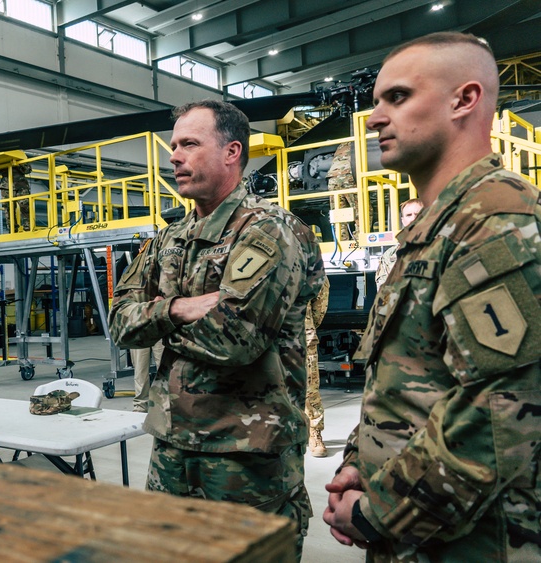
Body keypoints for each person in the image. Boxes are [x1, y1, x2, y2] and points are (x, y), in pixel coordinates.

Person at [323, 32, 541, 561]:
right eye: (376, 102)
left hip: (476, 542)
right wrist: (358, 459)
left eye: (396, 98)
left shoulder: (495, 221)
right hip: (422, 533)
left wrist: (378, 510)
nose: (375, 118)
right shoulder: (434, 229)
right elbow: (404, 378)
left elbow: (498, 413)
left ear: (463, 100)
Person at [109, 100, 326, 560]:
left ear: (232, 152)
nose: (174, 156)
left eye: (189, 143)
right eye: (173, 146)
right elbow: (119, 325)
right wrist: (180, 309)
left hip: (246, 454)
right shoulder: (169, 238)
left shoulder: (271, 231)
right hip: (172, 446)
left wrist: (155, 316)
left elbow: (235, 340)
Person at [305, 277, 330, 457]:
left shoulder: (304, 257)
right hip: (265, 336)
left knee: (309, 388)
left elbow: (320, 294)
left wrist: (307, 326)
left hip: (301, 335)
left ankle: (314, 432)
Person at [374, 198, 423, 287]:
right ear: (403, 220)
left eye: (417, 214)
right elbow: (383, 291)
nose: (413, 218)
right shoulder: (390, 255)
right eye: (408, 215)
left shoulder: (441, 246)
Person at [0, 163, 32, 233]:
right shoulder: (2, 157)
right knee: (8, 207)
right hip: (6, 186)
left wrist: (18, 164)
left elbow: (28, 170)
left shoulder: (19, 156)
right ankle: (12, 228)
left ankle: (27, 226)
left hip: (20, 185)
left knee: (24, 205)